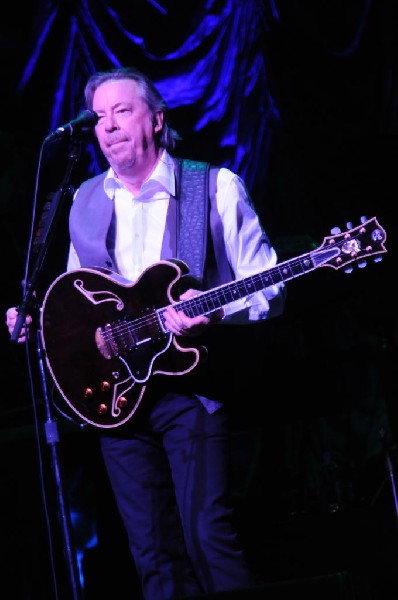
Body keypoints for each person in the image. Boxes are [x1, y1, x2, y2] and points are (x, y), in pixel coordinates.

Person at [6, 66, 286, 600]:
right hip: (119, 398)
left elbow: (269, 287)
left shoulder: (213, 187)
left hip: (192, 389)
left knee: (208, 538)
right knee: (151, 555)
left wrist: (217, 314)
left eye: (122, 111)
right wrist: (35, 319)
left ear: (156, 120)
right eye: (99, 116)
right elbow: (76, 296)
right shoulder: (85, 199)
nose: (107, 126)